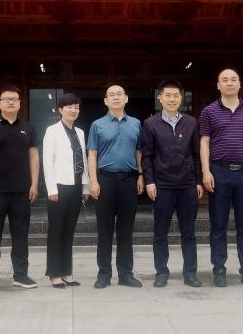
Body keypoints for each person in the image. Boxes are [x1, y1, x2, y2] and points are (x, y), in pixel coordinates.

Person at [199, 68, 243, 288]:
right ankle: (219, 269)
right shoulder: (209, 111)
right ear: (218, 85)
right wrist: (206, 171)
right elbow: (204, 142)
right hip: (219, 172)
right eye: (225, 80)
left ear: (239, 84)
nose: (229, 83)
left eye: (233, 79)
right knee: (218, 225)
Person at [0, 85, 39, 291]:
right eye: (6, 99)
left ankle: (21, 275)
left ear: (20, 103)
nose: (11, 102)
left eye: (14, 99)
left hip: (22, 191)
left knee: (21, 236)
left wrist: (34, 183)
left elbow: (34, 157)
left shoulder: (28, 128)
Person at [141, 80, 203, 288]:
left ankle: (190, 273)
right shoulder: (151, 124)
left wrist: (198, 181)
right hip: (162, 186)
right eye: (167, 95)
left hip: (187, 185)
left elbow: (196, 154)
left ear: (181, 98)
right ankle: (161, 272)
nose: (172, 99)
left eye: (176, 95)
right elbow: (147, 156)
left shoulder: (191, 122)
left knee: (189, 232)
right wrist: (150, 182)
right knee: (160, 232)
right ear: (160, 98)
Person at [87, 84, 145, 289]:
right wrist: (93, 180)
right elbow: (92, 153)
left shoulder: (136, 123)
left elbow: (139, 151)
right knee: (104, 230)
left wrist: (141, 175)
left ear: (126, 98)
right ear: (105, 101)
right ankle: (104, 274)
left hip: (129, 181)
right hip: (105, 181)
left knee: (126, 230)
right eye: (111, 95)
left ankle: (126, 274)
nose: (116, 97)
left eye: (120, 94)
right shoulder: (97, 125)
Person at [42, 93, 90, 288]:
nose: (73, 110)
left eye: (76, 107)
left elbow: (83, 160)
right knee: (56, 231)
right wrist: (51, 189)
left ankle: (67, 272)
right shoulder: (52, 131)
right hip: (59, 187)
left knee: (69, 231)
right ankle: (54, 273)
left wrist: (85, 186)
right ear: (60, 110)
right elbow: (48, 162)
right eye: (69, 107)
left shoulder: (80, 132)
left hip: (76, 186)